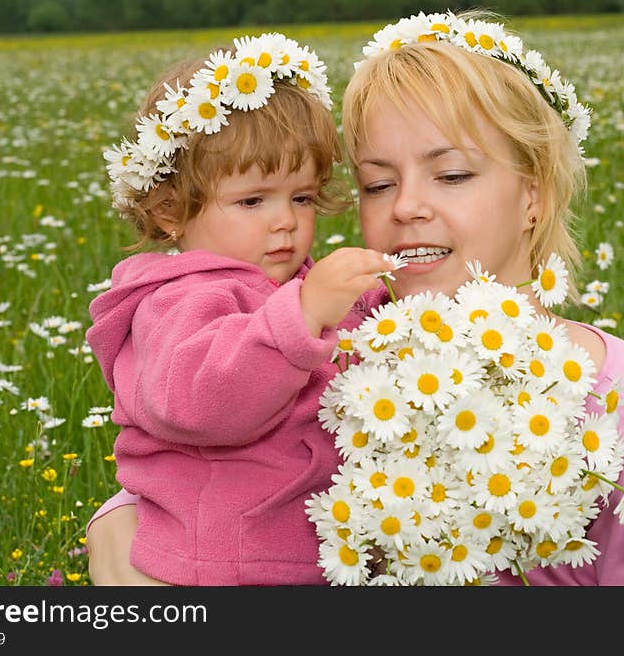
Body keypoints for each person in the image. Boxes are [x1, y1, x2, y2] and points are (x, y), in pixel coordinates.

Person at [86, 11, 624, 586]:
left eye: (452, 176)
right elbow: (209, 454)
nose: (407, 207)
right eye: (376, 184)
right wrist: (117, 527)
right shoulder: (363, 355)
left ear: (534, 193)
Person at [86, 32, 394, 585]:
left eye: (301, 197)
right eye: (252, 200)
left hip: (303, 549)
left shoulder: (288, 283)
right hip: (219, 565)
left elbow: (354, 333)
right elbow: (204, 400)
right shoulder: (181, 299)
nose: (285, 221)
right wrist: (304, 314)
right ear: (169, 211)